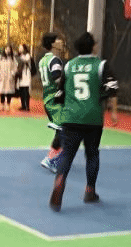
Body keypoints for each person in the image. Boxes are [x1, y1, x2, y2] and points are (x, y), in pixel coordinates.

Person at [48, 31, 118, 212]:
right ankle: (90, 191)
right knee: (92, 154)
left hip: (70, 118)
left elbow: (60, 93)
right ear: (93, 46)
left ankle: (60, 180)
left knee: (67, 154)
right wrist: (113, 111)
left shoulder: (69, 66)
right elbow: (112, 88)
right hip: (92, 118)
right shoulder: (101, 65)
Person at [37, 32, 66, 173]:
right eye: (58, 39)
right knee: (64, 129)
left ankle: (55, 157)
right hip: (56, 100)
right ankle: (51, 159)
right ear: (53, 44)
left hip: (48, 99)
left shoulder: (43, 60)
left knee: (62, 130)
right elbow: (57, 78)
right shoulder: (54, 60)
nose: (61, 41)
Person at [0, 44, 18, 112]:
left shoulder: (13, 58)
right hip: (2, 77)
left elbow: (15, 67)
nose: (8, 50)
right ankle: (2, 104)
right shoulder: (0, 57)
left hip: (9, 77)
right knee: (2, 91)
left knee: (9, 92)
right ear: (4, 50)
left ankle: (8, 105)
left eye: (9, 49)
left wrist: (12, 74)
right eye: (6, 49)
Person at [16, 44, 36, 111]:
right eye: (19, 48)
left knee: (26, 91)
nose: (19, 49)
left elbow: (25, 60)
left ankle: (27, 106)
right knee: (21, 90)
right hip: (21, 75)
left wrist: (19, 57)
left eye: (21, 48)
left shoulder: (27, 55)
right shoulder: (19, 56)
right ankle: (23, 106)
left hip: (26, 75)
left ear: (24, 49)